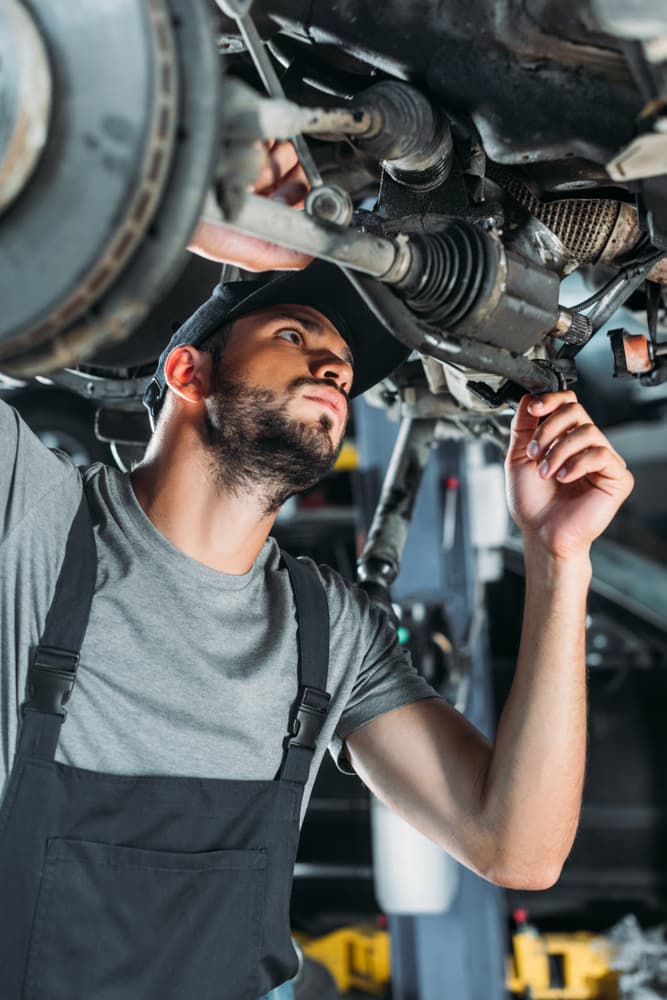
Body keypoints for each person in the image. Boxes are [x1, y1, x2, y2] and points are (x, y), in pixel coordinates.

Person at [0, 145, 634, 999]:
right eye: (294, 335)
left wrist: (559, 560)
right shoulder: (33, 516)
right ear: (188, 370)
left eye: (339, 357)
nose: (334, 364)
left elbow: (516, 849)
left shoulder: (324, 632)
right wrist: (168, 213)